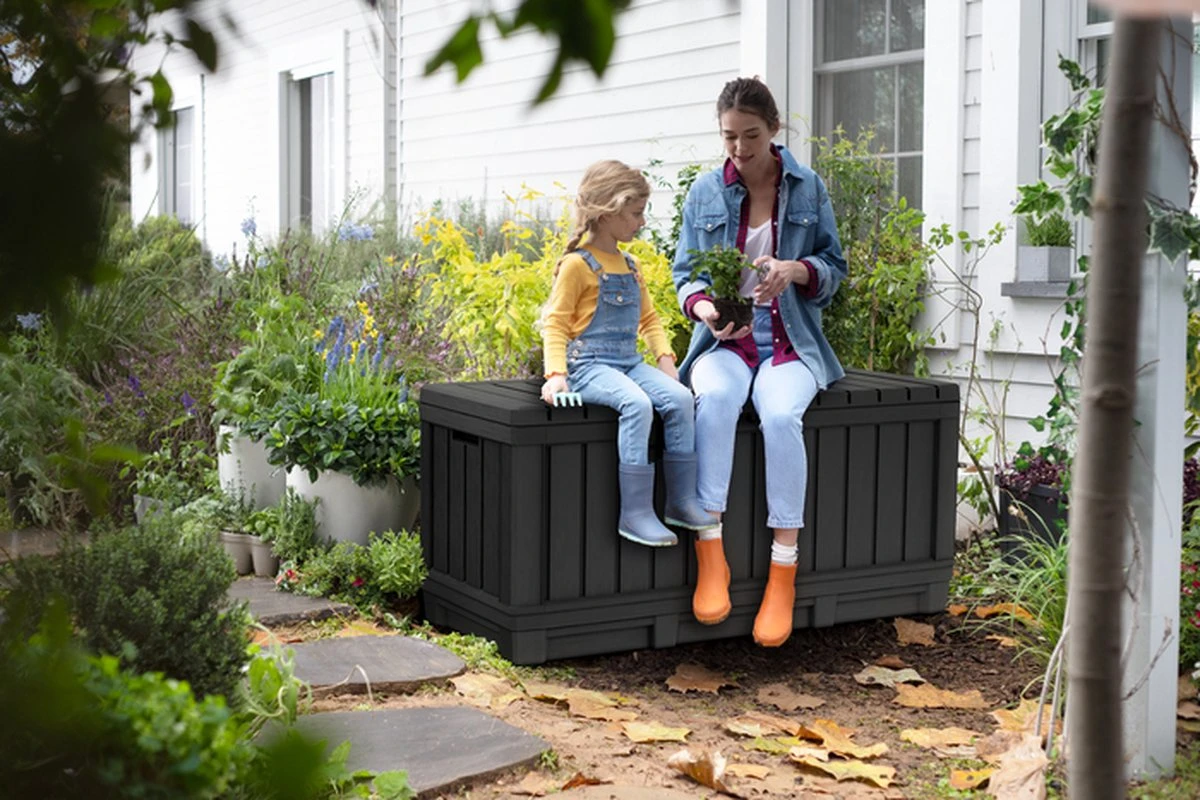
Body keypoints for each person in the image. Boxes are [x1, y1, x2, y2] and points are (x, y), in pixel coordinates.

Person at [673, 77, 848, 646]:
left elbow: (833, 268)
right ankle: (711, 554)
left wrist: (796, 271)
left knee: (779, 415)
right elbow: (684, 275)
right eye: (729, 136)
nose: (739, 148)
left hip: (789, 344)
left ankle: (782, 573)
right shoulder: (705, 192)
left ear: (773, 129)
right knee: (716, 399)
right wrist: (703, 308)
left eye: (751, 135)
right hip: (724, 343)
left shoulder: (807, 187)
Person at [541, 160, 716, 546]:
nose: (642, 221)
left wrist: (666, 361)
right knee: (636, 405)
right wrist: (556, 375)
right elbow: (555, 324)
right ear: (608, 211)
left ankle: (681, 501)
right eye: (636, 213)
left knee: (680, 398)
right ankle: (635, 513)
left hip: (627, 361)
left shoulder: (631, 265)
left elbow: (649, 319)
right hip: (587, 366)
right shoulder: (576, 265)